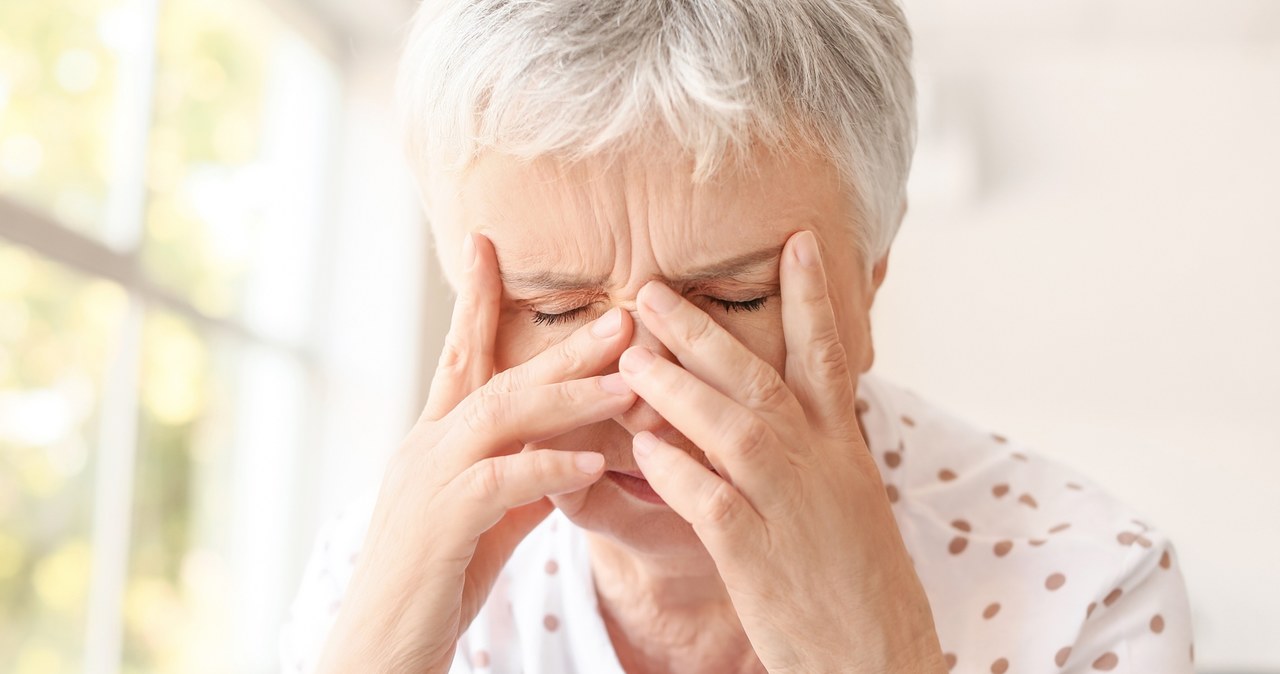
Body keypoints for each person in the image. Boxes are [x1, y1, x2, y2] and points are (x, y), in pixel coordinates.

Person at [281, 1, 1194, 671]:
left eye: (730, 300)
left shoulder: (1088, 588)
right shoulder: (366, 570)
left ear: (870, 279)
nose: (642, 393)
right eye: (552, 309)